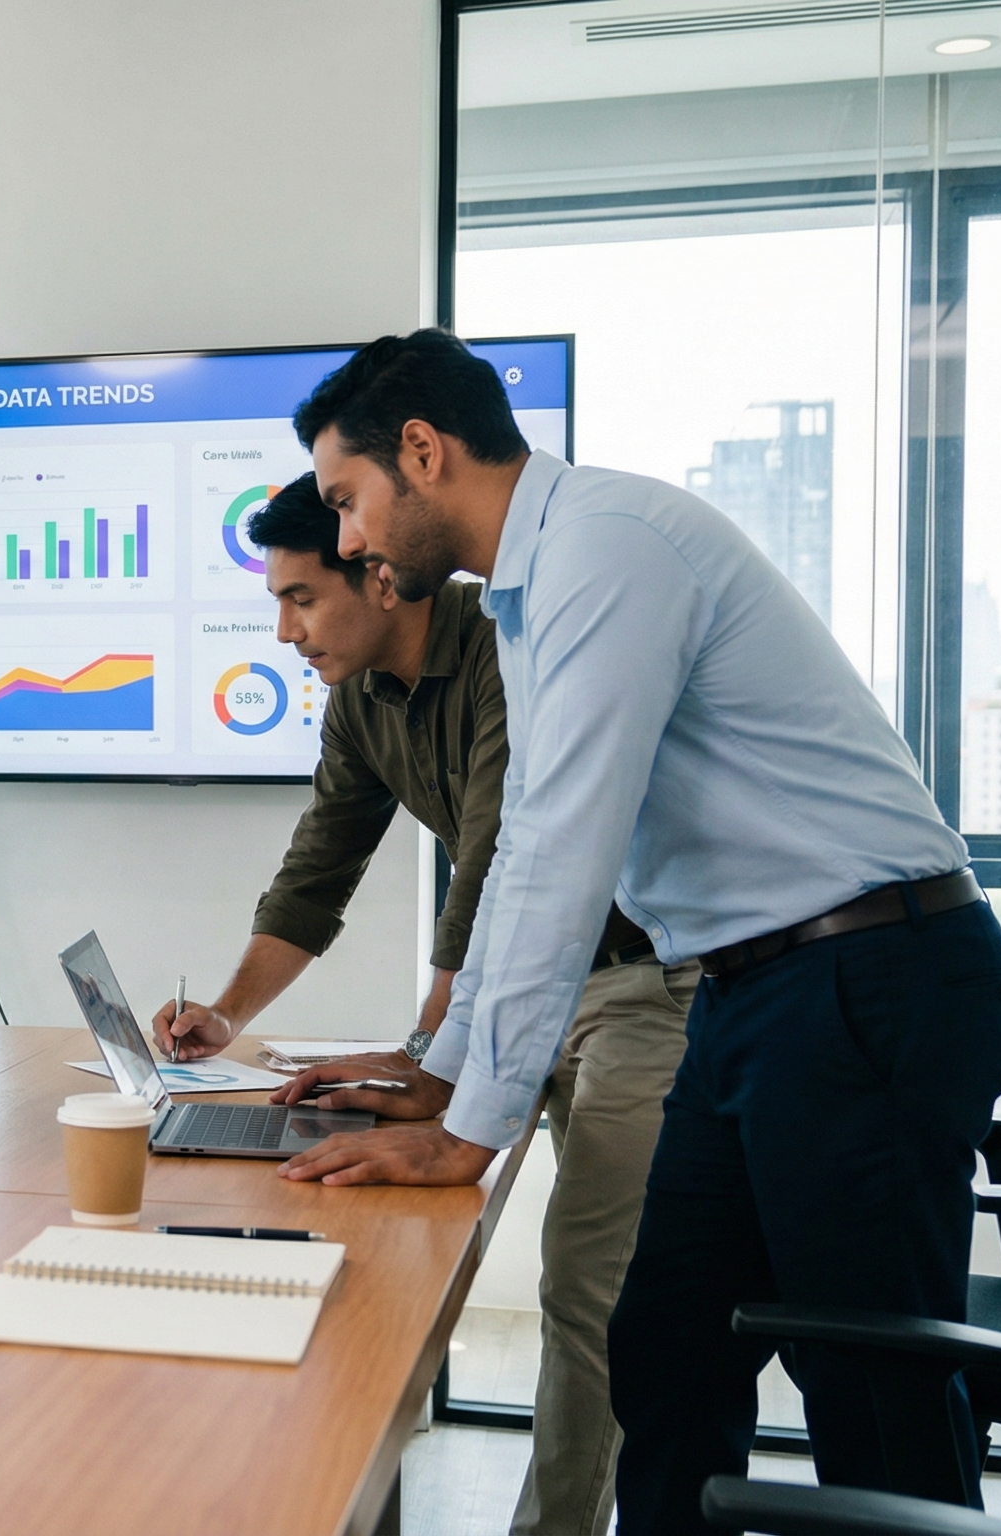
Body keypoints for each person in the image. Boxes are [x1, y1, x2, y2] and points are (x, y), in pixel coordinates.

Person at [270, 330, 1001, 1533]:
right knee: (662, 1352)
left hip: (866, 977)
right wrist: (444, 1070)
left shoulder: (606, 552)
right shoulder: (532, 587)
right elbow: (514, 852)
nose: (346, 536)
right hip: (747, 989)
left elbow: (568, 841)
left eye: (349, 501)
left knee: (871, 1395)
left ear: (421, 452)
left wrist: (470, 1129)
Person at [150, 473, 701, 1536]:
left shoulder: (503, 649)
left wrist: (435, 1051)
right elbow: (318, 870)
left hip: (636, 986)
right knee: (388, 1222)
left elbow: (495, 858)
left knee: (589, 1292)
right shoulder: (360, 699)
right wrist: (225, 1016)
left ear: (381, 575)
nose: (283, 631)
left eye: (302, 598)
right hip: (513, 990)